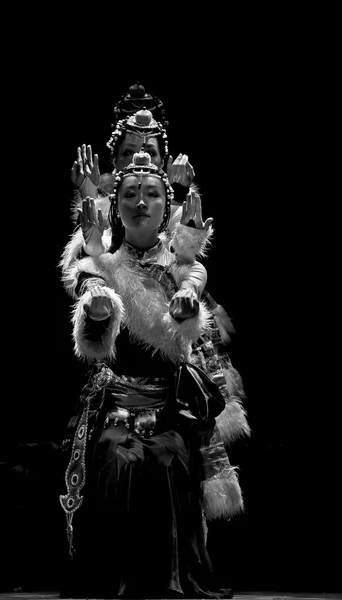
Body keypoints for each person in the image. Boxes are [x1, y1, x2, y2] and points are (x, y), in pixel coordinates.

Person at [59, 150, 244, 599]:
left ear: (167, 206)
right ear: (115, 205)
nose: (140, 203)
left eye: (152, 194)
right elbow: (90, 291)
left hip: (170, 408)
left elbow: (191, 281)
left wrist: (186, 309)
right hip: (117, 408)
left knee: (169, 462)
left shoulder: (183, 267)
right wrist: (98, 311)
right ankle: (115, 582)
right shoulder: (99, 265)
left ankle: (172, 580)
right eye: (129, 194)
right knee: (118, 463)